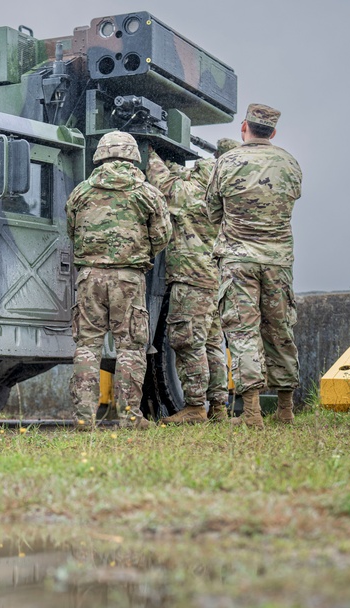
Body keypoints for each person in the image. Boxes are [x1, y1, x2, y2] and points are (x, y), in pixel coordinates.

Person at [206, 104, 303, 428]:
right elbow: (291, 200)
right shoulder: (289, 163)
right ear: (272, 132)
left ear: (244, 127)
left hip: (238, 261)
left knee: (244, 334)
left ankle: (251, 413)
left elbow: (213, 212)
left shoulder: (227, 162)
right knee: (280, 331)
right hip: (278, 260)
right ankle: (286, 410)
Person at [66, 131, 171, 428]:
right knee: (130, 347)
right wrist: (139, 251)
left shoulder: (81, 192)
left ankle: (85, 419)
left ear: (100, 155)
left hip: (89, 278)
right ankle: (130, 417)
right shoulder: (147, 193)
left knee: (87, 346)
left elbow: (72, 231)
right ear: (133, 156)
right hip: (129, 278)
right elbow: (162, 235)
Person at [146, 138, 239, 424]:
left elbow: (166, 186)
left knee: (186, 341)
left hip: (192, 276)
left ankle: (196, 407)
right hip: (213, 277)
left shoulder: (197, 192)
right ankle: (219, 408)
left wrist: (147, 150)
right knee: (211, 343)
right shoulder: (227, 191)